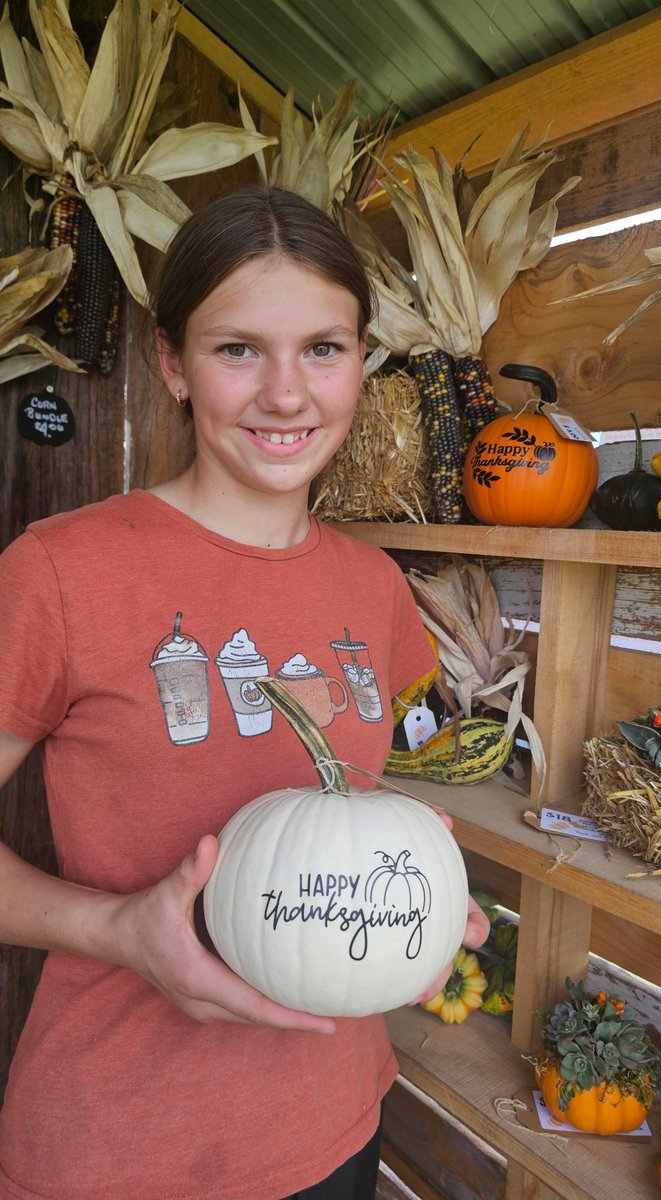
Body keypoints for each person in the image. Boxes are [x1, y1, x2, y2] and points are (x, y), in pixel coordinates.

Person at [0, 186, 488, 1200]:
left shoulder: (373, 587)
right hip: (120, 1150)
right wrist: (115, 928)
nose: (286, 394)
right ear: (172, 363)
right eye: (237, 350)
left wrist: (420, 898)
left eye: (323, 347)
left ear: (363, 362)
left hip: (333, 1123)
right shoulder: (59, 572)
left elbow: (343, 817)